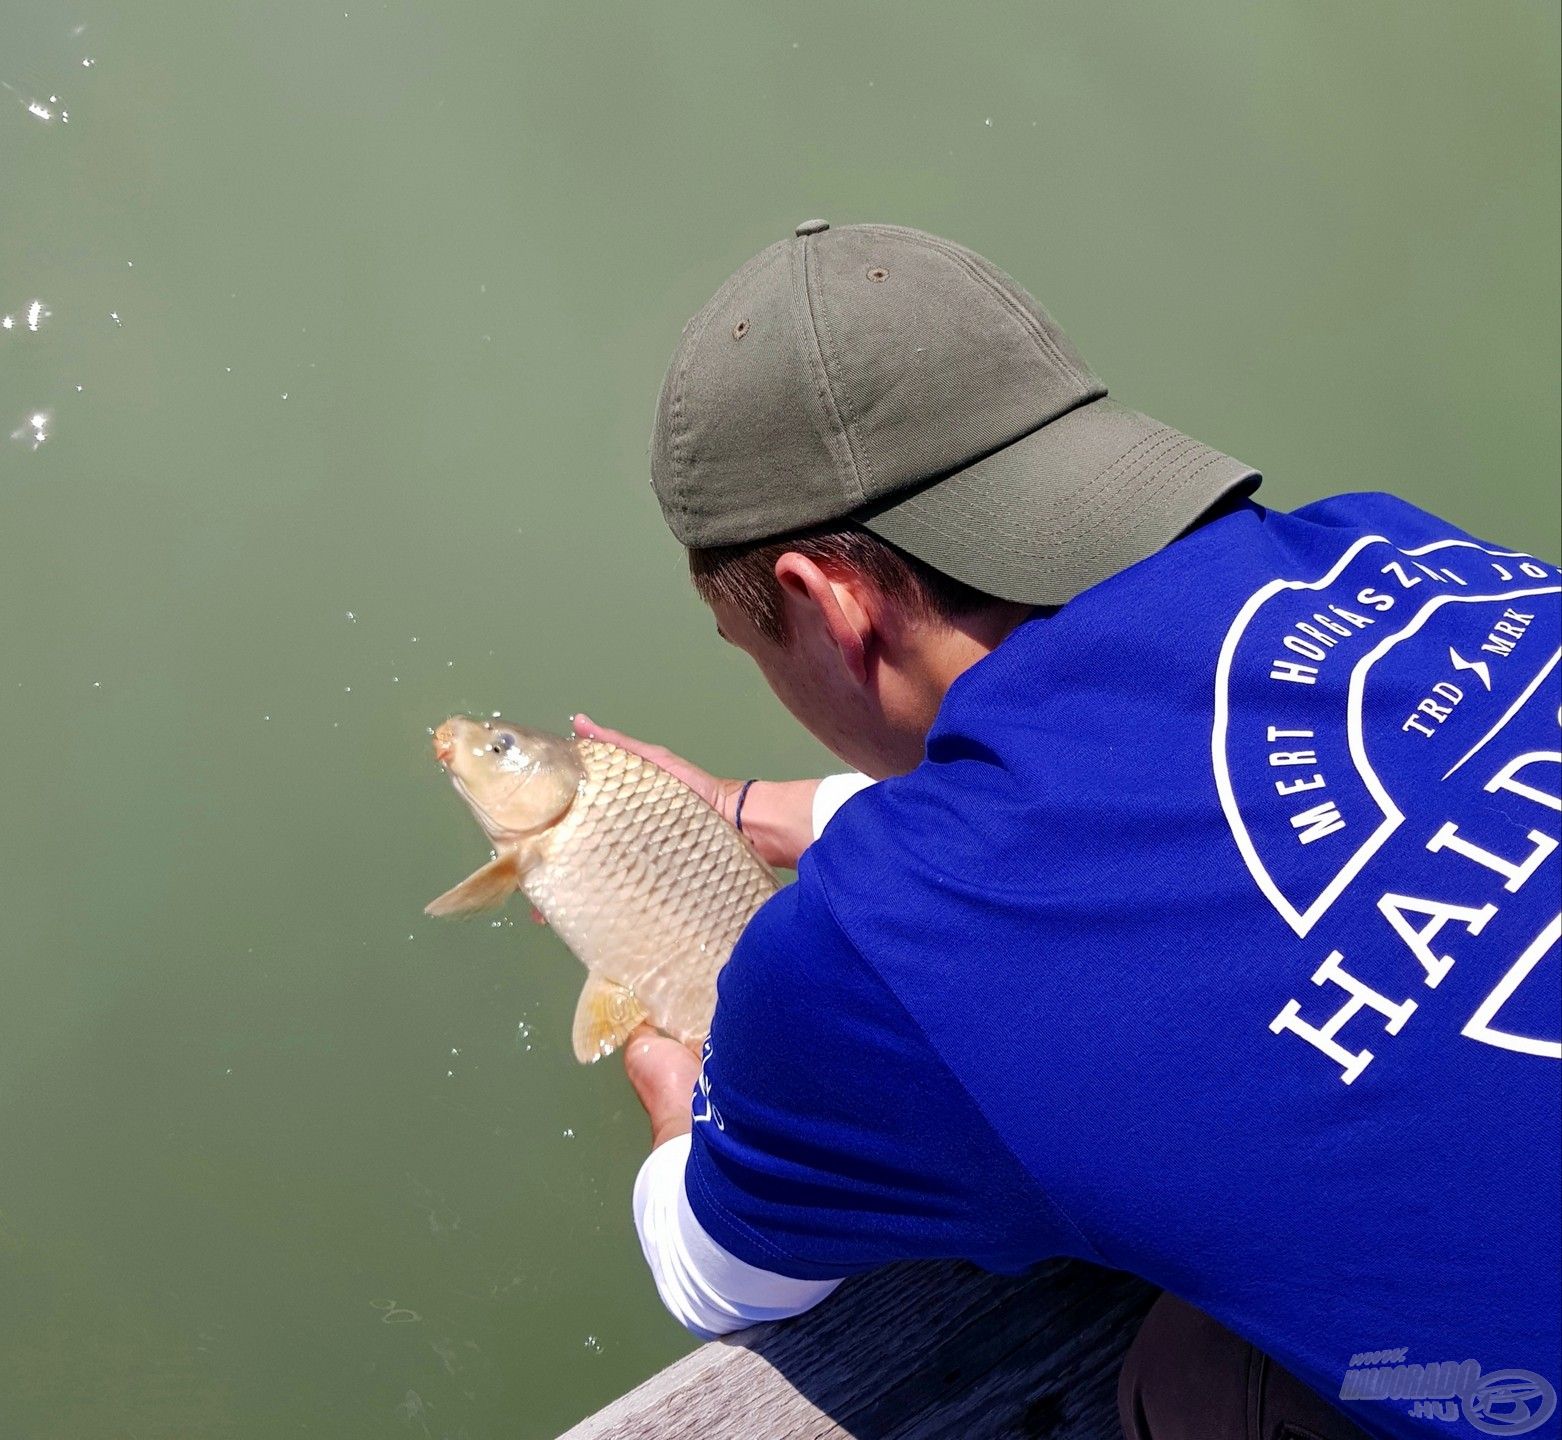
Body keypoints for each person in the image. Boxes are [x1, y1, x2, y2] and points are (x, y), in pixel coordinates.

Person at [589, 221, 1561, 1440]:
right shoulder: (1394, 550)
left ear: (821, 605)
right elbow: (1201, 804)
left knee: (1181, 1383)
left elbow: (711, 1270)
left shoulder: (881, 952)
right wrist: (800, 815)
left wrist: (681, 1095)